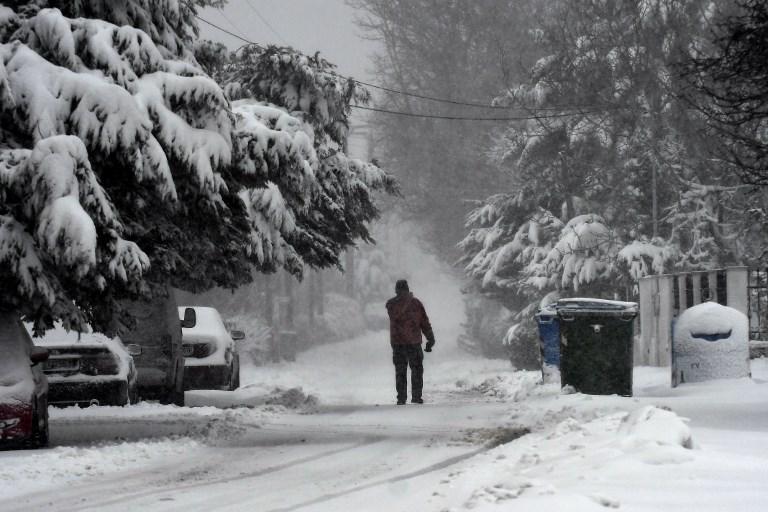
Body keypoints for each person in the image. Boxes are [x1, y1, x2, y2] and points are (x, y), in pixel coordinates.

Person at [385, 279, 435, 405]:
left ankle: (401, 398)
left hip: (398, 343)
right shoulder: (416, 304)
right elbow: (424, 322)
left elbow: (394, 314)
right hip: (413, 343)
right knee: (417, 370)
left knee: (400, 371)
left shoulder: (391, 305)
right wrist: (430, 338)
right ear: (407, 289)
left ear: (396, 290)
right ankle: (416, 397)